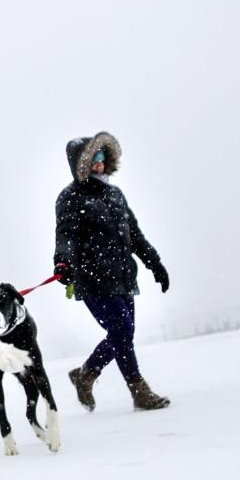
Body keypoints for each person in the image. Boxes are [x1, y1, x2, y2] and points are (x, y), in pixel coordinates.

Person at [52, 131, 171, 411]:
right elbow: (65, 236)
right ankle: (138, 390)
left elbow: (135, 236)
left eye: (103, 157)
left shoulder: (115, 195)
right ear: (80, 164)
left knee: (122, 334)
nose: (99, 163)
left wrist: (155, 264)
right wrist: (63, 262)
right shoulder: (70, 198)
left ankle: (85, 375)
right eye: (93, 159)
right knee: (121, 329)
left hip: (122, 276)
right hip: (92, 278)